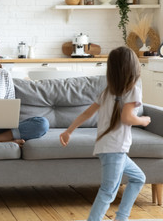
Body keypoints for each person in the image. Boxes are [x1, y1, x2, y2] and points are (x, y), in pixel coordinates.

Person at [59, 46, 151, 221]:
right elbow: (127, 117)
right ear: (133, 68)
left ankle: (122, 217)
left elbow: (87, 113)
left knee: (139, 178)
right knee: (108, 191)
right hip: (115, 150)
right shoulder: (132, 90)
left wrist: (68, 131)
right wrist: (143, 120)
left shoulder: (108, 91)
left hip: (109, 149)